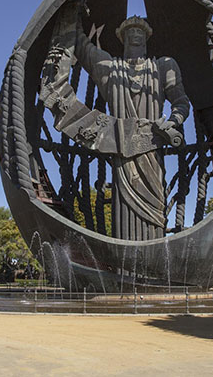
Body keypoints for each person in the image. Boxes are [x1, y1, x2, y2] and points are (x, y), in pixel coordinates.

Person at [71, 14, 190, 241]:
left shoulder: (164, 66)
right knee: (123, 206)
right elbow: (83, 48)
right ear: (122, 38)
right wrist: (72, 15)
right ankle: (124, 269)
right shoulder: (109, 67)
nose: (135, 34)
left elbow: (182, 102)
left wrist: (172, 122)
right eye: (130, 31)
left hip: (152, 147)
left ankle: (152, 264)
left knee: (154, 207)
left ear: (146, 38)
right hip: (123, 150)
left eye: (139, 31)